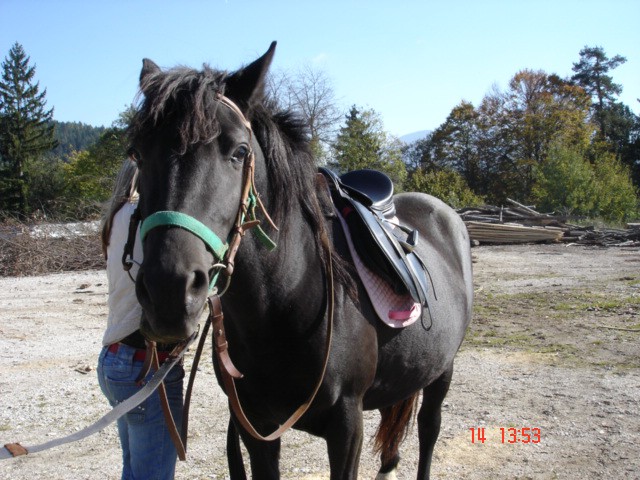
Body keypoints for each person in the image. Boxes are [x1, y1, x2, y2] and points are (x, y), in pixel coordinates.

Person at [97, 159, 185, 480]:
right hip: (145, 365)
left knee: (134, 470)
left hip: (113, 360)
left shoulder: (114, 220)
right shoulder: (147, 220)